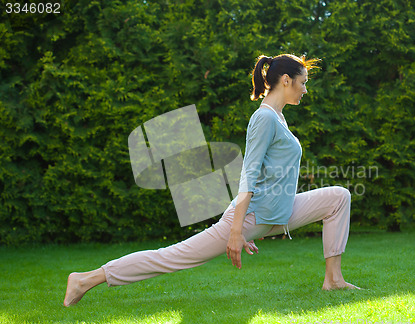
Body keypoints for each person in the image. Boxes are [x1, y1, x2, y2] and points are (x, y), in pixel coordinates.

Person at [63, 54, 359, 307]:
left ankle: (333, 280)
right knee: (173, 256)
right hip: (253, 216)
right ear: (285, 79)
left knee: (338, 197)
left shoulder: (278, 117)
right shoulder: (265, 118)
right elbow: (249, 173)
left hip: (278, 212)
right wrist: (236, 231)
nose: (305, 89)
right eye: (303, 82)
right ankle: (85, 280)